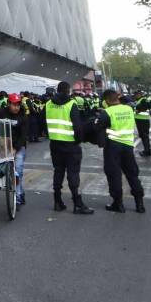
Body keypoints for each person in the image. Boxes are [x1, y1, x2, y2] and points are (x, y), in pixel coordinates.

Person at [45, 82, 93, 214]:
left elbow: (44, 123)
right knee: (73, 173)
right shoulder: (71, 104)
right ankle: (77, 204)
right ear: (68, 91)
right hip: (70, 145)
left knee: (58, 171)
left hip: (55, 143)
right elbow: (77, 127)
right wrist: (78, 140)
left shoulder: (48, 104)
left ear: (57, 90)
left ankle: (57, 201)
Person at [96, 90, 145, 213]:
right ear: (117, 98)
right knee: (133, 174)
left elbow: (97, 127)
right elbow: (129, 101)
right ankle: (139, 204)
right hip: (128, 146)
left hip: (112, 146)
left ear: (106, 100)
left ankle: (118, 204)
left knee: (114, 175)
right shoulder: (129, 109)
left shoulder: (107, 112)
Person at [0, 93, 30, 207]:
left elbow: (24, 135)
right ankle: (20, 192)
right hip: (4, 145)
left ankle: (18, 197)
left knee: (17, 170)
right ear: (9, 104)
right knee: (2, 169)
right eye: (14, 105)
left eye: (18, 105)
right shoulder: (2, 112)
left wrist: (15, 148)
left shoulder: (23, 115)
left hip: (19, 146)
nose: (16, 107)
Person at [134, 92, 151, 157]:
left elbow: (146, 107)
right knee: (143, 136)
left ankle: (147, 151)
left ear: (140, 94)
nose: (136, 95)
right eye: (136, 94)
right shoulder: (140, 100)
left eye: (137, 94)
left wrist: (139, 110)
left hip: (142, 120)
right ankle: (147, 150)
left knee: (144, 136)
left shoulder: (143, 100)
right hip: (141, 120)